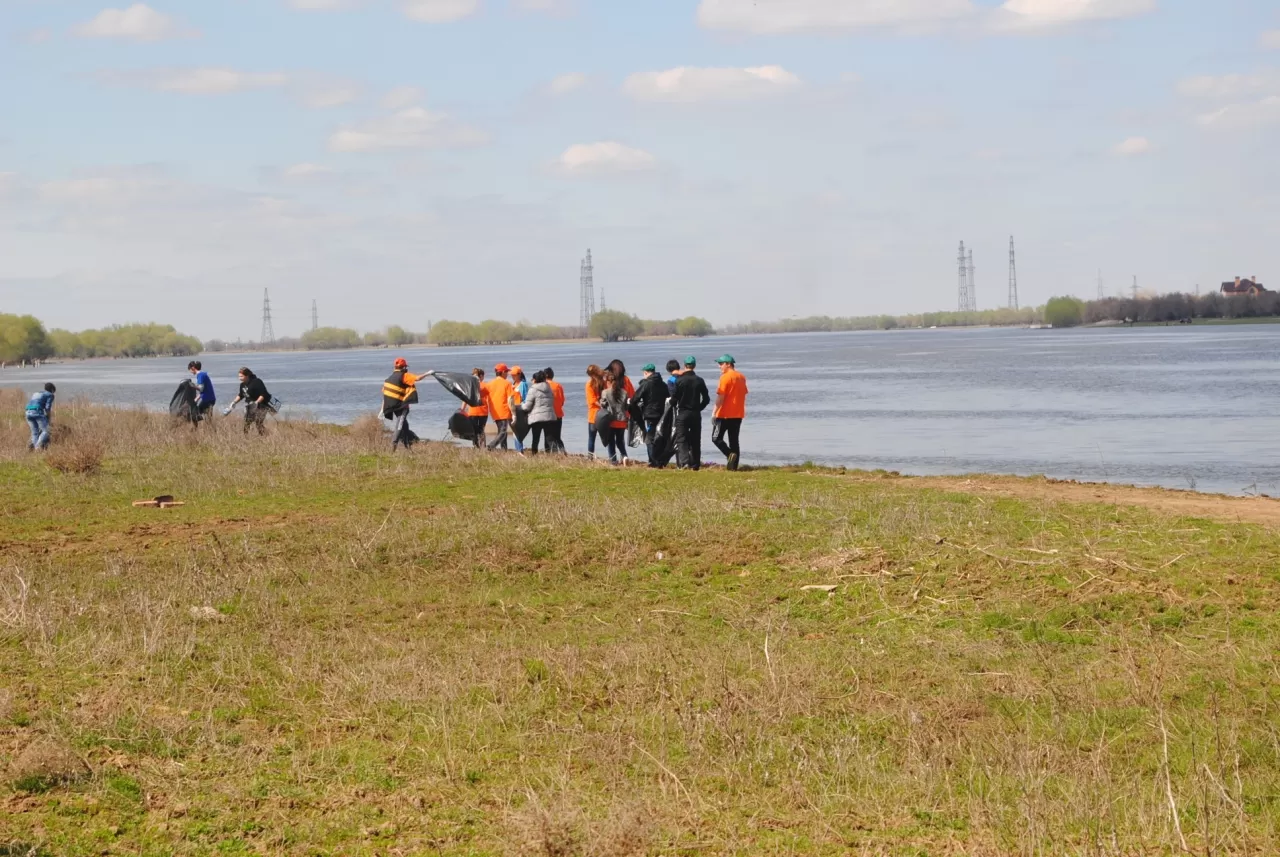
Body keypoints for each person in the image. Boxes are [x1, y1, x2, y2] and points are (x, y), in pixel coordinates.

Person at [671, 356, 710, 470]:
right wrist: (699, 408)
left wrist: (673, 404)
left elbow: (675, 398)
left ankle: (684, 462)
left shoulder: (679, 380)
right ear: (694, 366)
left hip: (683, 412)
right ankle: (695, 464)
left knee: (681, 438)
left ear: (684, 366)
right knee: (696, 439)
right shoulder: (699, 380)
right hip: (695, 413)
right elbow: (706, 399)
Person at [382, 357, 429, 450]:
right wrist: (428, 373)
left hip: (393, 407)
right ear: (403, 367)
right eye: (405, 367)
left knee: (405, 426)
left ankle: (408, 446)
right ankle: (393, 446)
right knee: (400, 425)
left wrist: (382, 408)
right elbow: (418, 378)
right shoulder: (404, 375)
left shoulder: (389, 378)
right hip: (402, 407)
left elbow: (384, 392)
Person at [711, 354, 749, 471]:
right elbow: (744, 393)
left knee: (716, 438)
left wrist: (714, 412)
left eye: (721, 364)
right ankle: (733, 467)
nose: (719, 366)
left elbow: (721, 397)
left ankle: (729, 455)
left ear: (728, 364)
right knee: (734, 441)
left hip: (724, 414)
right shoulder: (741, 377)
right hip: (738, 414)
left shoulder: (725, 377)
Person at [631, 363, 670, 467]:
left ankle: (653, 462)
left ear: (646, 372)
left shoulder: (646, 384)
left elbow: (635, 398)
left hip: (650, 415)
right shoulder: (663, 384)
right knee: (660, 437)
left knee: (649, 438)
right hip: (662, 415)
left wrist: (635, 409)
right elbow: (669, 397)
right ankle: (660, 460)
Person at [226, 367, 276, 435]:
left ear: (247, 376)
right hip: (250, 406)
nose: (239, 378)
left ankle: (266, 436)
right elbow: (241, 395)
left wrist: (256, 403)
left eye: (241, 376)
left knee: (258, 423)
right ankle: (246, 438)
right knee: (247, 423)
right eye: (239, 376)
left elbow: (263, 394)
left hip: (262, 405)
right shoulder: (242, 384)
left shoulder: (257, 381)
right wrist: (234, 402)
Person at [520, 370, 558, 454]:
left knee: (535, 438)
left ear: (535, 380)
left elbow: (527, 406)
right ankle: (556, 456)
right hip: (549, 416)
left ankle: (534, 455)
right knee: (550, 439)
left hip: (537, 418)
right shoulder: (549, 388)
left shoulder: (533, 389)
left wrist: (521, 405)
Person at [486, 363, 515, 451]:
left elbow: (486, 398)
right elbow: (510, 399)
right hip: (504, 410)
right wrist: (514, 413)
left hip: (494, 411)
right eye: (506, 372)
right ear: (502, 372)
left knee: (501, 431)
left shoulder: (489, 384)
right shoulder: (507, 383)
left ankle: (504, 449)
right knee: (503, 432)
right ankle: (491, 446)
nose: (507, 374)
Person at [24, 382, 56, 450]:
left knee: (35, 432)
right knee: (47, 430)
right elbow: (47, 408)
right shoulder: (50, 395)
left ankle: (35, 448)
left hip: (27, 412)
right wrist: (48, 417)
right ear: (52, 390)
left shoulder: (36, 393)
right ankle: (38, 447)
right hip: (37, 412)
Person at [464, 368, 490, 448]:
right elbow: (490, 399)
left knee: (474, 430)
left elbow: (465, 399)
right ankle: (482, 446)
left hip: (472, 411)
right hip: (483, 411)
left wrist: (462, 409)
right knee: (481, 430)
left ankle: (475, 446)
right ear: (481, 376)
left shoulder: (470, 386)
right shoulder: (486, 385)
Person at [584, 364, 606, 458]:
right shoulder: (604, 382)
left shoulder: (589, 384)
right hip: (604, 414)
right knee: (608, 438)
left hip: (593, 415)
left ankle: (590, 457)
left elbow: (591, 400)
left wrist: (599, 404)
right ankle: (613, 457)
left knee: (592, 438)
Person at [544, 367, 566, 453]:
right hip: (558, 414)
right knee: (557, 437)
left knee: (548, 437)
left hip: (548, 415)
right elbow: (562, 400)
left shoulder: (543, 385)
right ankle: (563, 452)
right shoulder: (558, 385)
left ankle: (552, 453)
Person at [510, 367, 529, 454]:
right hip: (513, 410)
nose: (513, 377)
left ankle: (519, 449)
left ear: (519, 374)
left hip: (520, 410)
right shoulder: (513, 384)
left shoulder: (523, 384)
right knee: (514, 431)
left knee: (518, 431)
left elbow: (525, 398)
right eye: (512, 375)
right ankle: (518, 449)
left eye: (514, 375)